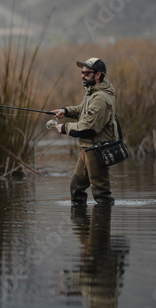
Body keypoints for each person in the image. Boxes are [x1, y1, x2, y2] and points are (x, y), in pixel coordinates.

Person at [52, 57, 118, 205]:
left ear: (98, 75)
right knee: (76, 187)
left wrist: (64, 128)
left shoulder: (101, 98)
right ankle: (82, 226)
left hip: (98, 149)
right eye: (82, 72)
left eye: (87, 73)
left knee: (101, 194)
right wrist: (65, 111)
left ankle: (100, 226)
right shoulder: (92, 93)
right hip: (87, 148)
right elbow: (82, 110)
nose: (83, 75)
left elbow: (88, 127)